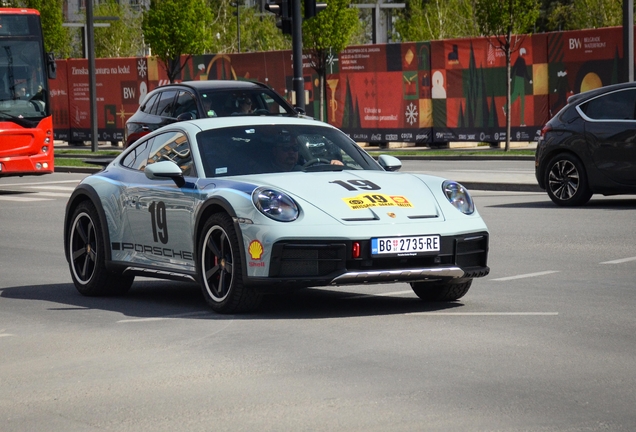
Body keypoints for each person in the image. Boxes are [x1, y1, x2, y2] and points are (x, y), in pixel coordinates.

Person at [268, 142, 344, 172]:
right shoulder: (263, 171)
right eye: (286, 148)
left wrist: (334, 164)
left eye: (295, 149)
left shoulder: (305, 166)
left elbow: (318, 167)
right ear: (275, 151)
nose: (291, 152)